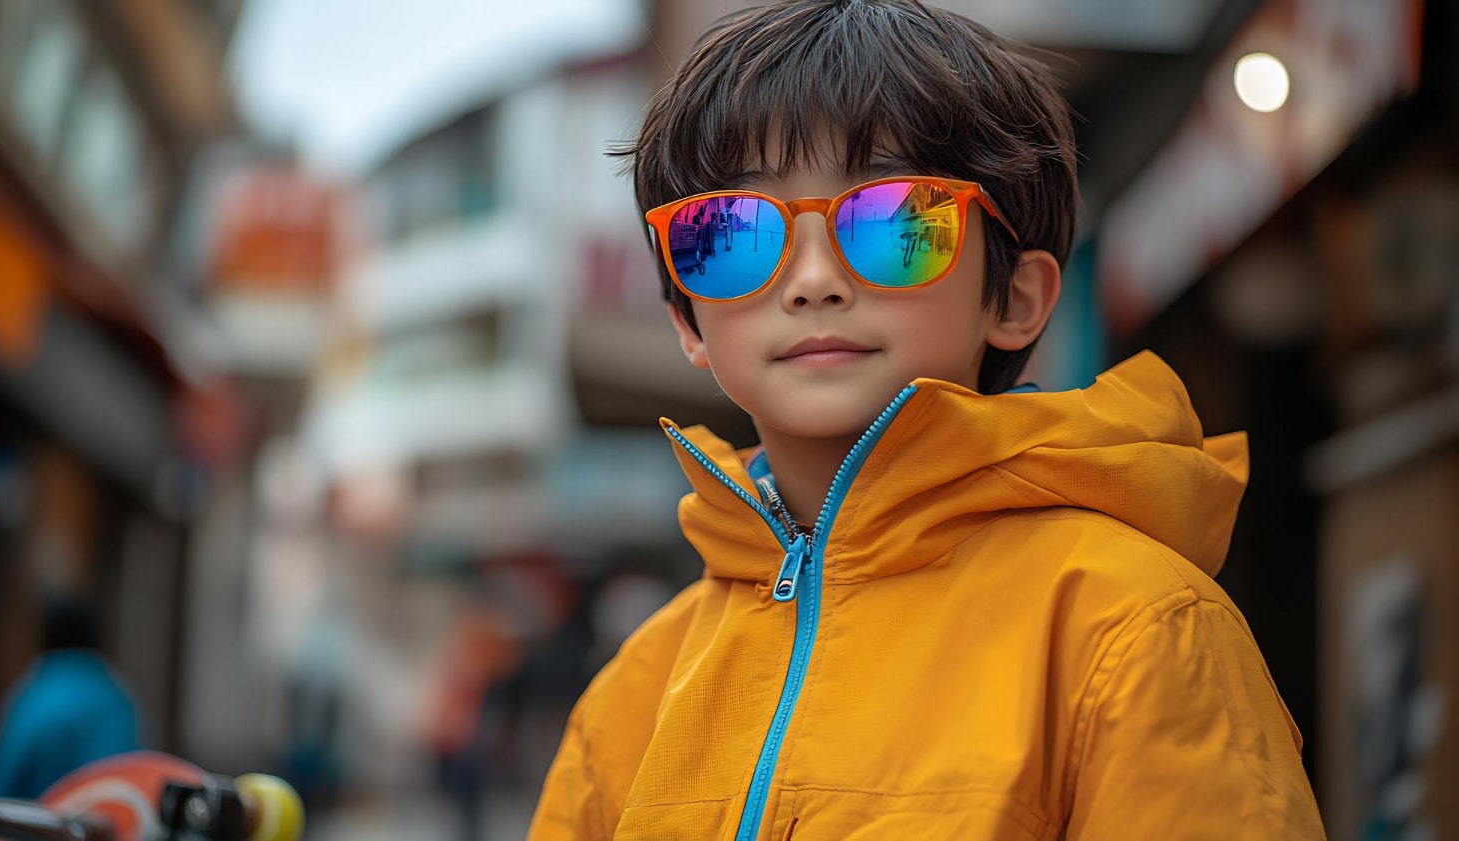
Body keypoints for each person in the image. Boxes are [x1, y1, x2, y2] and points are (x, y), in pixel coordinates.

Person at [529, 1, 1322, 838]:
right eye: (731, 232)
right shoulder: (632, 696)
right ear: (689, 320)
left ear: (1015, 298)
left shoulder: (1132, 628)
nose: (812, 280)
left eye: (894, 220)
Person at [0, 598, 140, 799]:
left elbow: (1, 778)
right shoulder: (118, 697)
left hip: (41, 822)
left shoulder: (37, 695)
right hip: (106, 821)